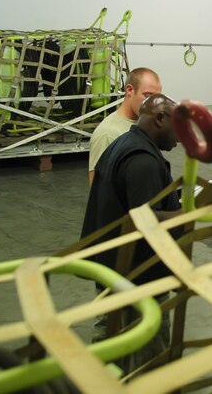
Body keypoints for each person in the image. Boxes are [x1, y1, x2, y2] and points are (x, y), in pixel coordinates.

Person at [79, 93, 182, 371]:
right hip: (138, 274)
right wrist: (192, 213)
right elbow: (144, 220)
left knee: (110, 338)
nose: (180, 137)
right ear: (159, 119)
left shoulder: (124, 144)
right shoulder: (143, 161)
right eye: (178, 127)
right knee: (150, 354)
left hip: (114, 267)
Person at [88, 67, 162, 183]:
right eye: (147, 96)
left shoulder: (146, 126)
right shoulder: (107, 134)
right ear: (129, 90)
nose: (153, 104)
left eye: (156, 98)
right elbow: (97, 187)